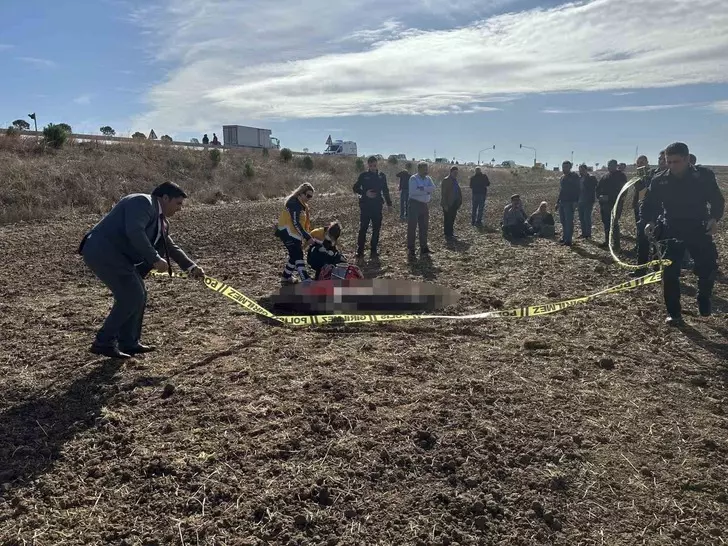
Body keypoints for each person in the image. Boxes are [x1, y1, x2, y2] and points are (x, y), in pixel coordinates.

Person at [78, 182, 205, 359]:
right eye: (178, 203)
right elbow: (135, 231)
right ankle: (104, 342)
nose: (180, 209)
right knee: (132, 294)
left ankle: (129, 343)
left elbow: (169, 246)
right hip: (103, 251)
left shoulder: (162, 222)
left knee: (139, 294)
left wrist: (191, 267)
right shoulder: (142, 202)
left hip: (117, 257)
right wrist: (154, 258)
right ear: (165, 198)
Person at [640, 142, 724, 325]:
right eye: (668, 162)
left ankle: (704, 296)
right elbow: (649, 205)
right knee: (669, 273)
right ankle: (674, 313)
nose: (671, 166)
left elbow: (717, 200)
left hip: (698, 227)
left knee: (708, 266)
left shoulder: (703, 177)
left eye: (675, 162)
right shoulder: (659, 180)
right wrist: (650, 221)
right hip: (671, 228)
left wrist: (714, 219)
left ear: (687, 159)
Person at [276, 183, 316, 285]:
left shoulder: (301, 204)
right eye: (308, 196)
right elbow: (295, 222)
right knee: (298, 254)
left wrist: (305, 234)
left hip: (294, 233)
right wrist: (307, 237)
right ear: (301, 193)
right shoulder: (294, 203)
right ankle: (305, 279)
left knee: (294, 255)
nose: (309, 198)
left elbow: (300, 223)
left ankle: (286, 277)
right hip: (287, 232)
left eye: (311, 197)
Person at [353, 156, 392, 259]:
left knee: (376, 228)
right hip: (365, 206)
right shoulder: (363, 176)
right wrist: (365, 193)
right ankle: (360, 250)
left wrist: (389, 204)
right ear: (368, 165)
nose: (373, 167)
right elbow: (355, 188)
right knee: (363, 228)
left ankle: (373, 250)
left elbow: (386, 190)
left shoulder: (382, 176)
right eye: (370, 166)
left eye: (374, 165)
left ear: (377, 164)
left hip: (377, 206)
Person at [596, 159, 628, 250]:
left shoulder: (621, 176)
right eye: (609, 165)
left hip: (615, 204)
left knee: (614, 224)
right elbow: (598, 188)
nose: (610, 167)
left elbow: (623, 191)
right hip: (604, 204)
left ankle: (616, 245)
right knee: (606, 223)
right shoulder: (605, 176)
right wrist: (599, 197)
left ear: (616, 166)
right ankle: (607, 241)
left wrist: (610, 197)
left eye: (612, 165)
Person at [407, 162, 436, 258]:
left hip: (424, 205)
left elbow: (433, 188)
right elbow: (413, 192)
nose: (426, 171)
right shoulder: (413, 179)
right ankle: (411, 249)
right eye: (424, 169)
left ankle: (424, 247)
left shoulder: (428, 178)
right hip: (414, 204)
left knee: (424, 227)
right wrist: (426, 190)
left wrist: (422, 188)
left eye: (426, 169)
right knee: (412, 227)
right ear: (419, 169)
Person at [556, 161, 580, 246]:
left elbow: (578, 189)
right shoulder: (562, 177)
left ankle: (568, 240)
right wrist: (557, 202)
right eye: (563, 167)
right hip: (562, 202)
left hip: (570, 202)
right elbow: (561, 191)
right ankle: (564, 237)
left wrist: (576, 201)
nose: (564, 169)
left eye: (566, 167)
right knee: (563, 221)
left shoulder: (574, 176)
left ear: (570, 167)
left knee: (569, 221)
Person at [441, 166, 463, 240]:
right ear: (451, 172)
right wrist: (445, 205)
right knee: (447, 219)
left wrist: (459, 201)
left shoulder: (455, 180)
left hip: (455, 203)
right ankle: (447, 234)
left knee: (452, 219)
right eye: (454, 172)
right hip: (448, 203)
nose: (456, 174)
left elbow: (457, 191)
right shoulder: (446, 180)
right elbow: (443, 194)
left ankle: (451, 233)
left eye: (457, 173)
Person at [577, 163, 597, 239]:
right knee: (581, 218)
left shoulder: (591, 178)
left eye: (582, 170)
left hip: (588, 201)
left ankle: (588, 234)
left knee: (587, 217)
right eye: (580, 170)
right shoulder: (579, 179)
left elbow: (595, 187)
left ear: (586, 170)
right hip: (580, 200)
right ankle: (583, 233)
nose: (581, 171)